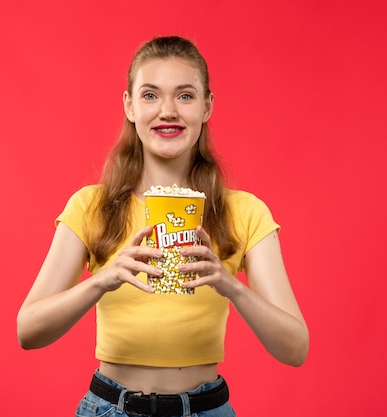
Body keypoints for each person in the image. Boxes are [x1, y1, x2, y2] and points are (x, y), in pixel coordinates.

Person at [17, 35, 309, 417]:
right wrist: (104, 279)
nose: (167, 111)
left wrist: (229, 285)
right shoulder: (92, 206)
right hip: (111, 407)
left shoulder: (244, 212)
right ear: (130, 106)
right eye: (151, 95)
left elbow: (295, 348)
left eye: (185, 96)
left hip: (207, 409)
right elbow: (29, 331)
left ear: (207, 107)